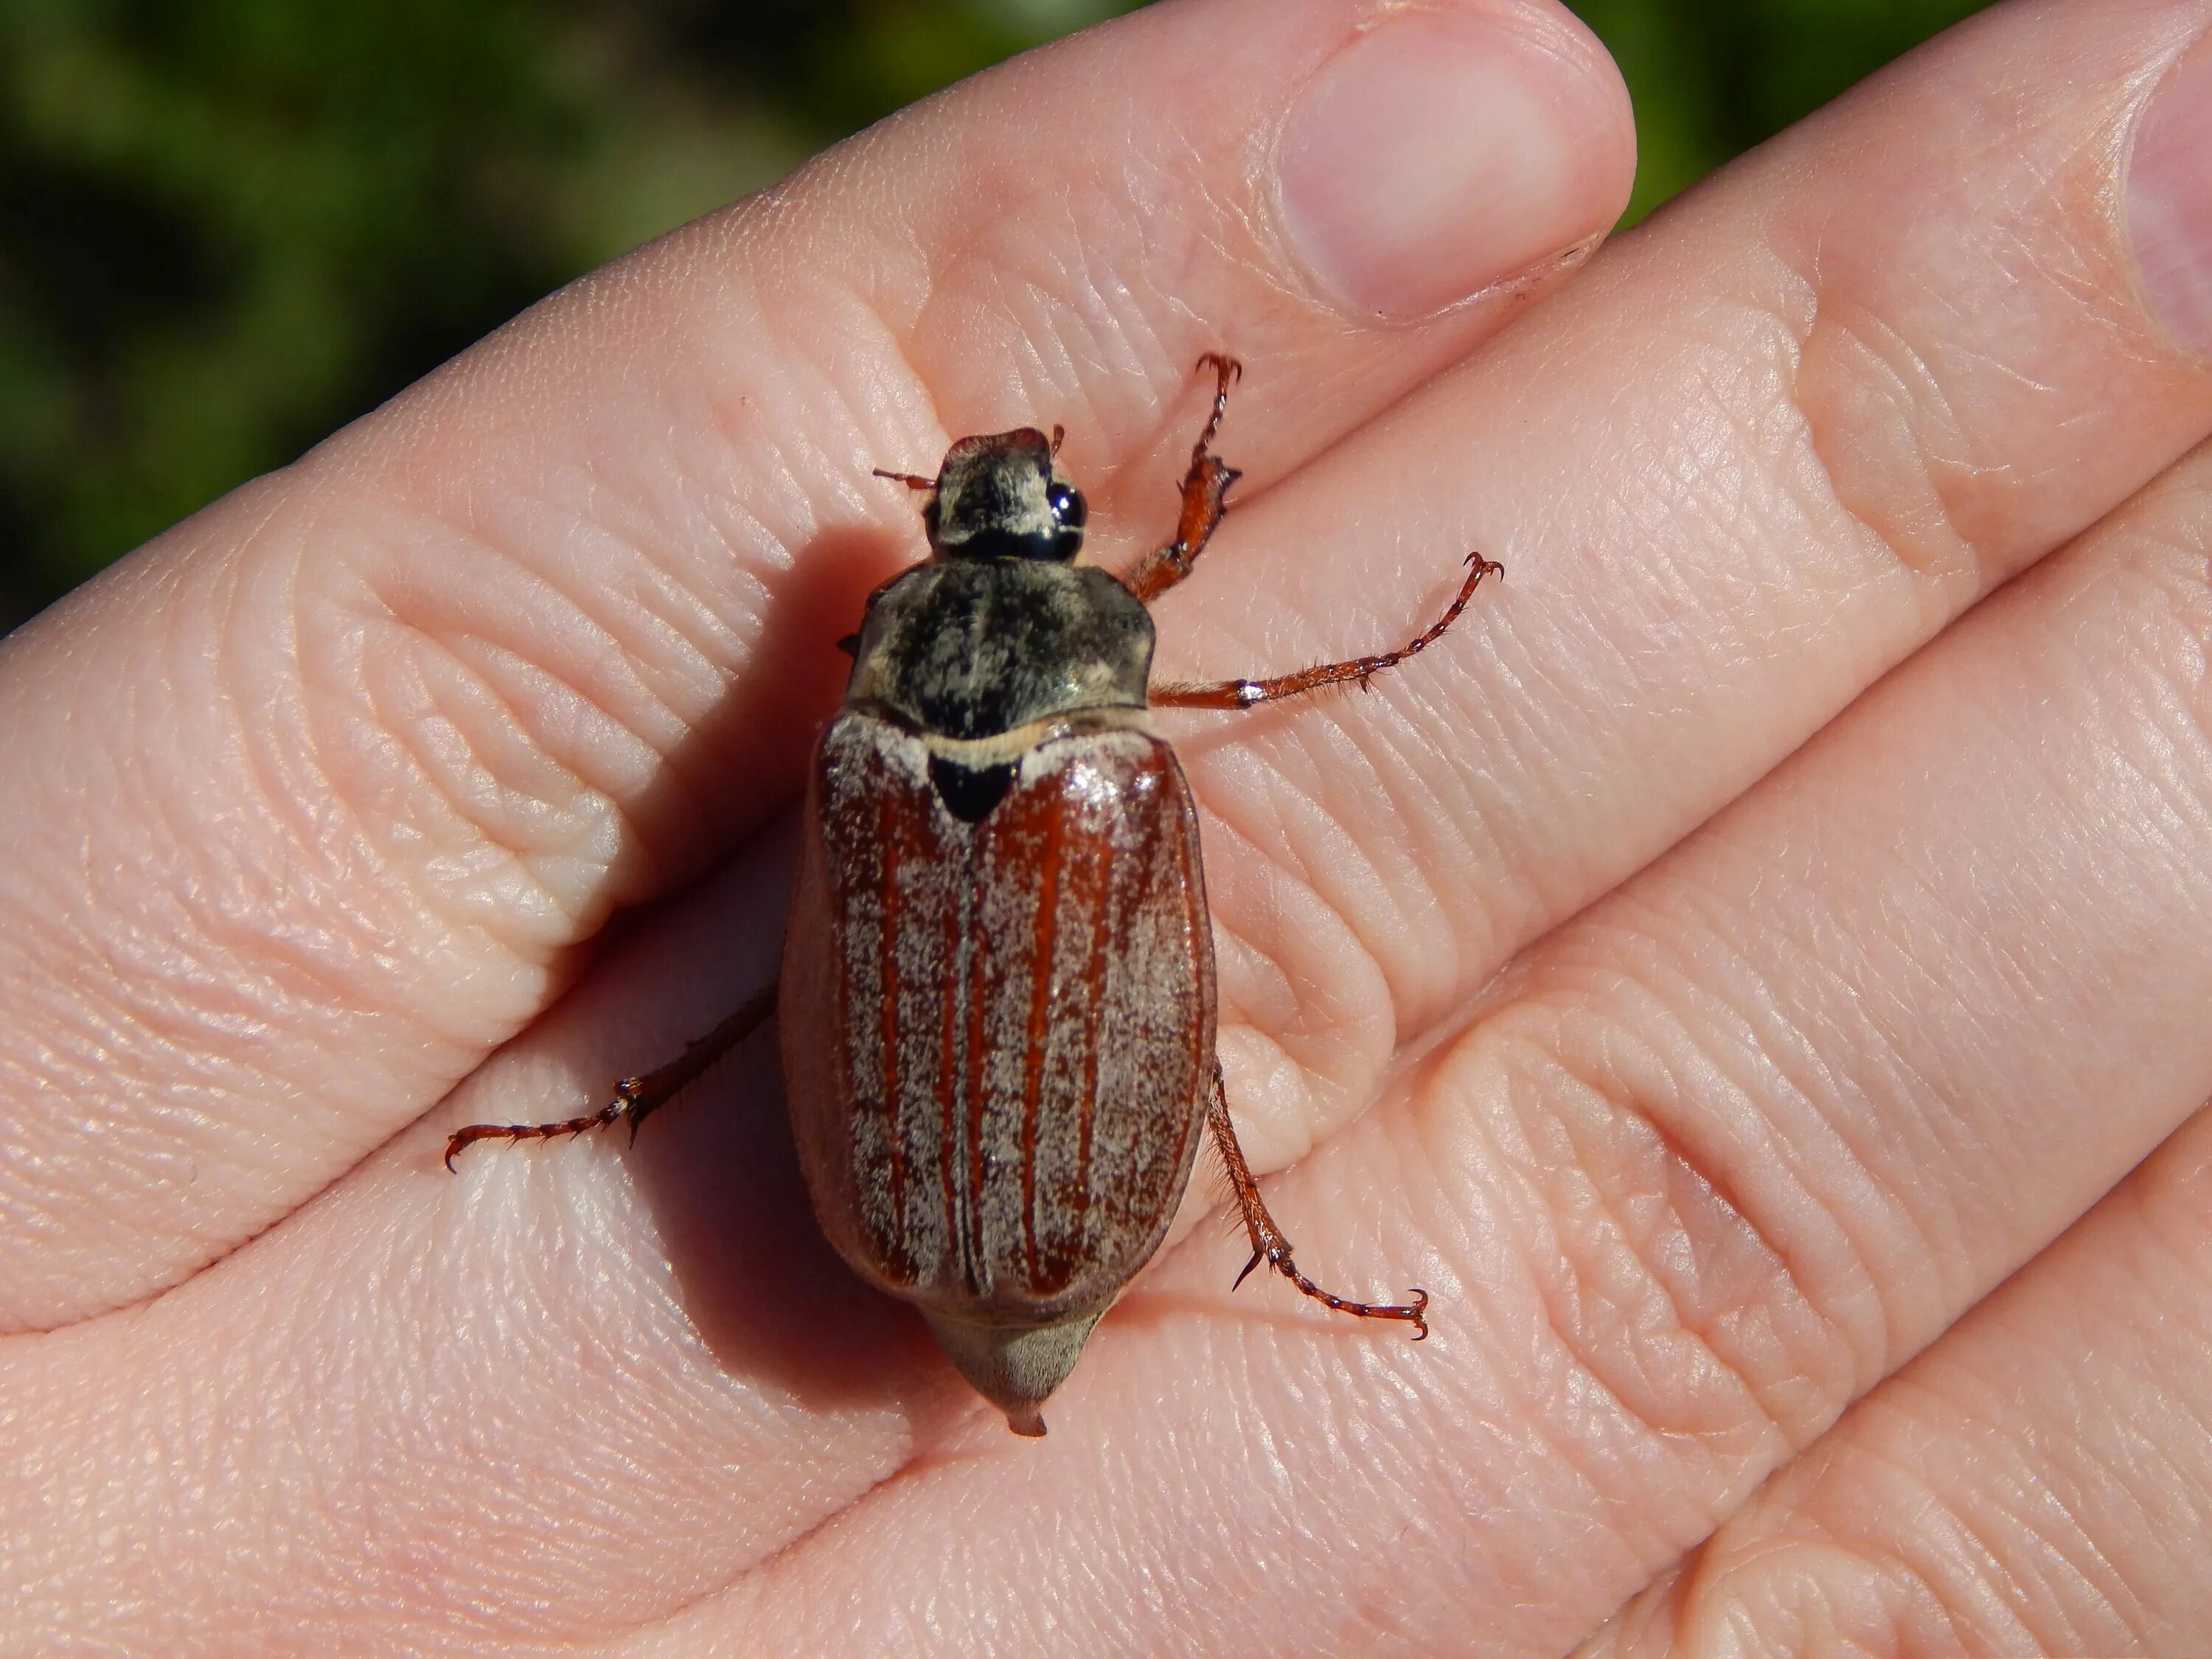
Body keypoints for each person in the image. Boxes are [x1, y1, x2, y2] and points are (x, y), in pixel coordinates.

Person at [3, 0, 2209, 1650]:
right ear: (1055, 567)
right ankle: (1231, 1234)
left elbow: (809, 981)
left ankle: (775, 1143)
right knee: (1241, 1036)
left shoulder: (874, 754)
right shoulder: (1117, 726)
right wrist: (1300, 559)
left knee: (1030, 1003)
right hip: (1040, 1205)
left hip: (910, 1207)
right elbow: (1200, 638)